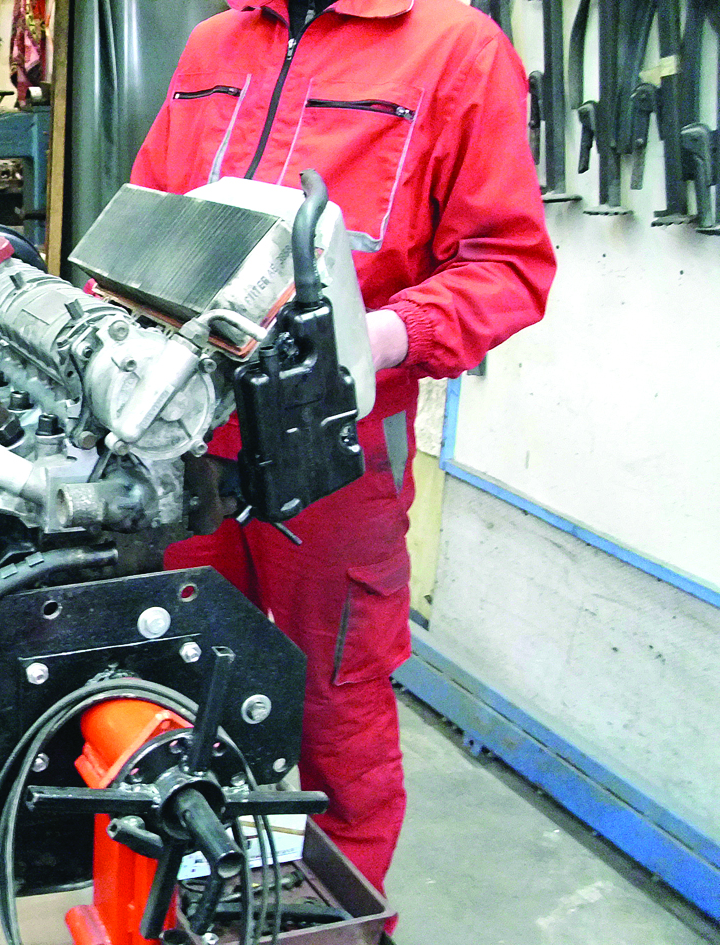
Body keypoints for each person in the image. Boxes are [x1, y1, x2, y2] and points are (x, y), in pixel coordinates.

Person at [131, 0, 556, 896]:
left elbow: (507, 265)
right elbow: (150, 214)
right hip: (185, 432)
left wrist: (376, 336)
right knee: (178, 670)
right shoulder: (215, 43)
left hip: (338, 448)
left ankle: (345, 916)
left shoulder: (456, 50)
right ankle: (184, 888)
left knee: (336, 696)